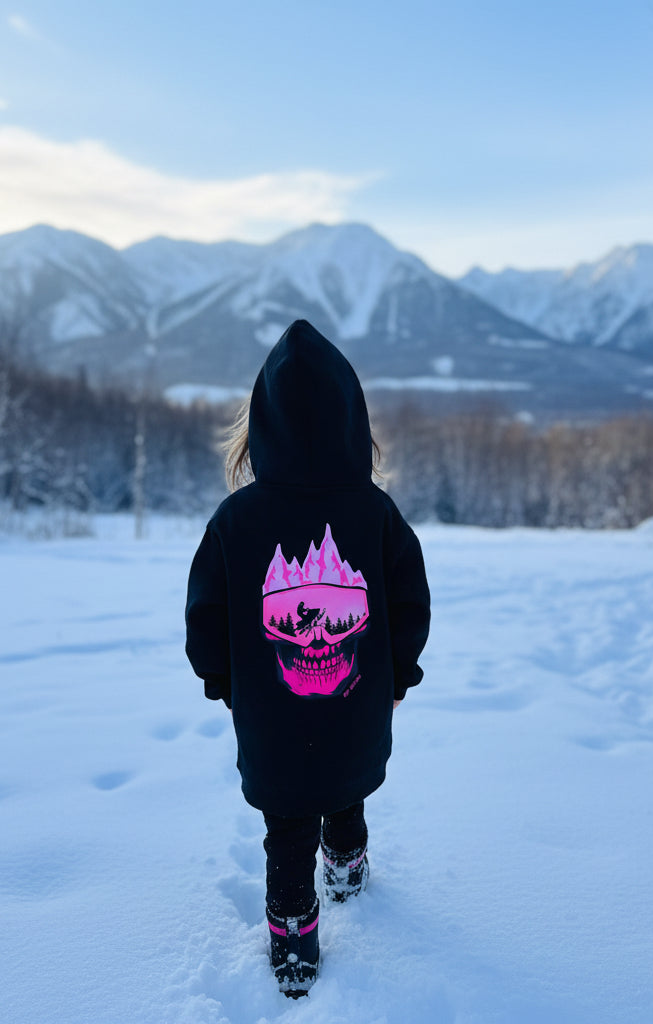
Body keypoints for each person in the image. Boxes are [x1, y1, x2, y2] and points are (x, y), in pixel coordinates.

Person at [185, 319, 430, 998]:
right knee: (345, 784)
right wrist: (399, 674)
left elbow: (205, 614)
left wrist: (223, 681)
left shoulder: (235, 520)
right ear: (354, 424)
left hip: (270, 713)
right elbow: (410, 602)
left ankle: (293, 937)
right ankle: (346, 863)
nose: (316, 634)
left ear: (261, 429)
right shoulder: (377, 514)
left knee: (286, 820)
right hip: (358, 702)